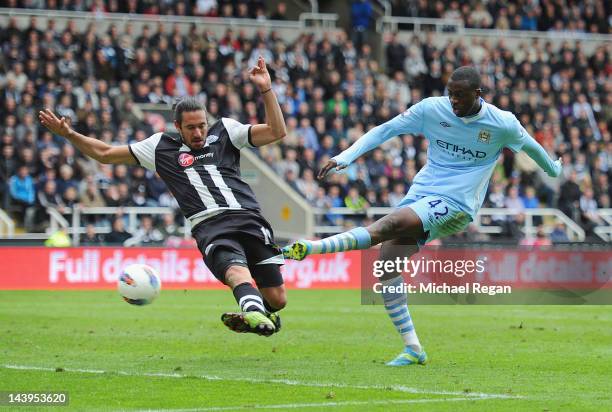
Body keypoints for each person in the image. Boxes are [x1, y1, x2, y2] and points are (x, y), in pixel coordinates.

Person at [283, 66, 563, 365]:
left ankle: (311, 248)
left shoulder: (501, 123)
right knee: (387, 265)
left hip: (457, 202)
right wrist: (345, 157)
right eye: (450, 94)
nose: (453, 100)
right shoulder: (431, 109)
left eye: (460, 96)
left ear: (477, 94)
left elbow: (533, 149)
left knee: (390, 224)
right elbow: (385, 130)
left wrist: (553, 169)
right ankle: (413, 348)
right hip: (423, 192)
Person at [39, 56, 288, 337]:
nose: (198, 132)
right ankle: (253, 312)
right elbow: (105, 154)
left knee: (278, 299)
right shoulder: (160, 146)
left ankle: (260, 312)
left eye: (202, 125)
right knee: (236, 273)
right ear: (178, 126)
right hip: (211, 226)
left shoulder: (227, 131)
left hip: (249, 218)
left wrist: (267, 90)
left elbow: (277, 132)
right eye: (191, 127)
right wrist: (69, 133)